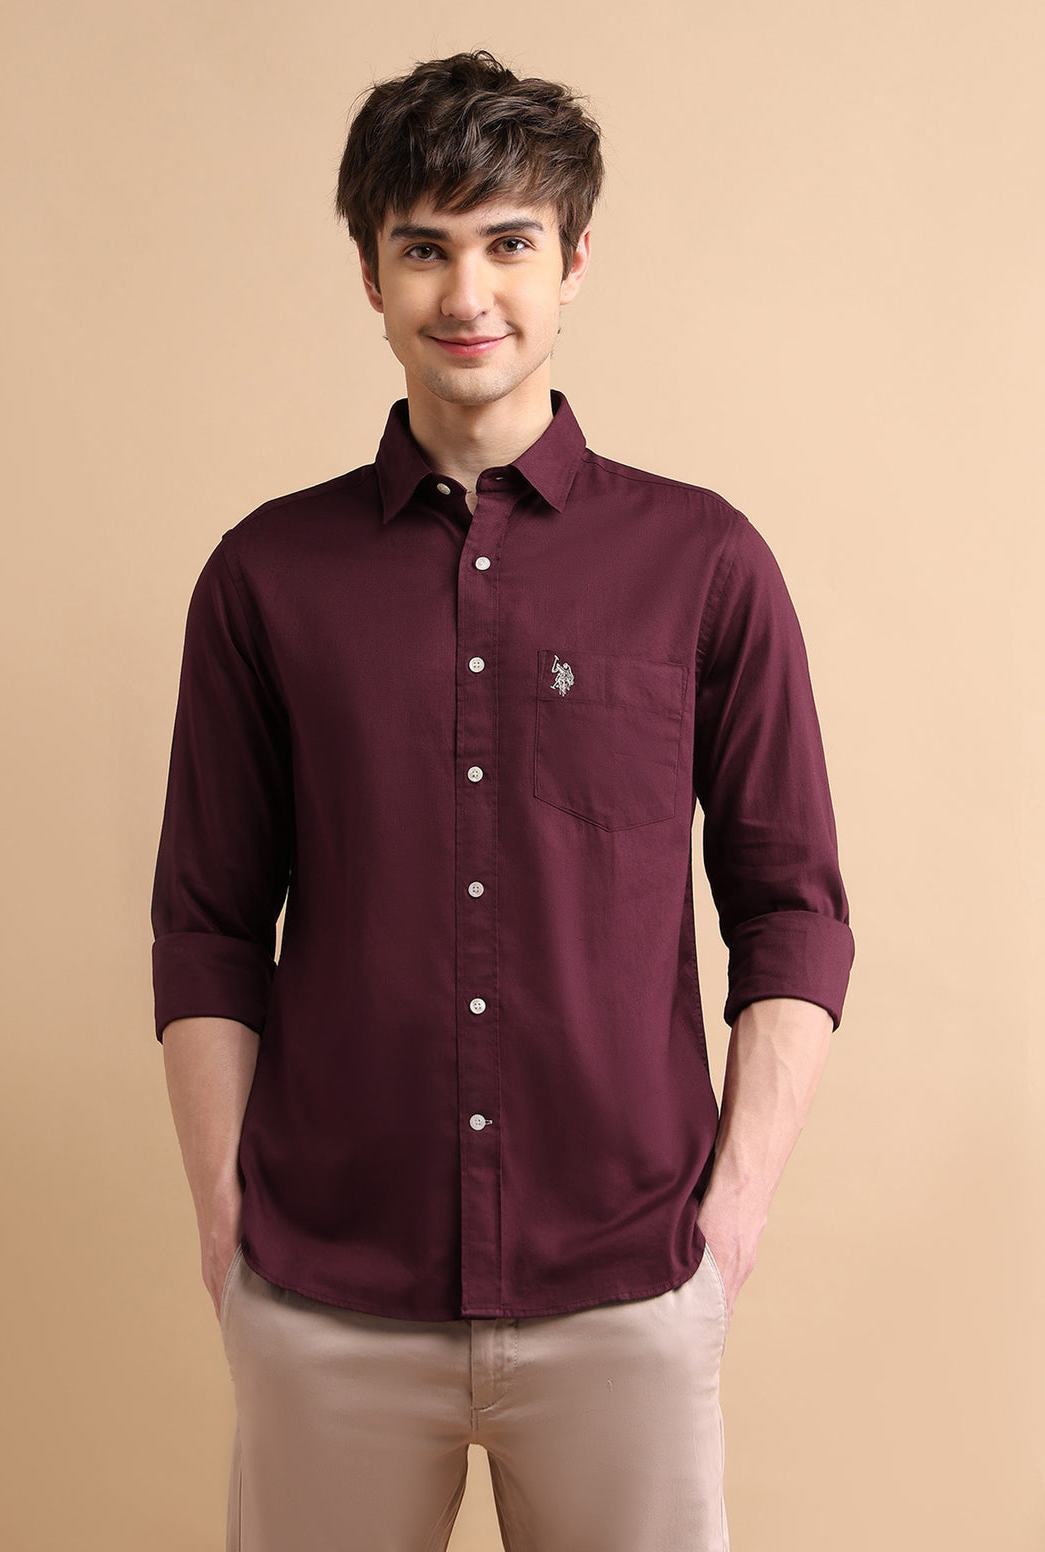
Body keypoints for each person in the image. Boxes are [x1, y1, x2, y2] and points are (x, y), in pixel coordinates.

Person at [150, 48, 854, 1552]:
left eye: (509, 241)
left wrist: (733, 1217)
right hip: (327, 1295)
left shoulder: (705, 564)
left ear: (575, 258)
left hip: (627, 1289)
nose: (468, 293)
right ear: (370, 274)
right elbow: (206, 923)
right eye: (425, 247)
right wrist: (225, 1219)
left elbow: (794, 909)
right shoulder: (266, 578)